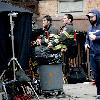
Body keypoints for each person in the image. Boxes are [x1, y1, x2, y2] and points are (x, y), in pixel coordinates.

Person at [85, 8, 100, 100]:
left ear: (97, 16)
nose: (90, 18)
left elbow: (95, 37)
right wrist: (86, 44)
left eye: (92, 16)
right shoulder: (89, 28)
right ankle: (99, 93)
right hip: (92, 55)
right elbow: (87, 38)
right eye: (89, 17)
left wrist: (96, 37)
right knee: (96, 75)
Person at [59, 14, 76, 81]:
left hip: (68, 48)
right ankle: (67, 77)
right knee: (67, 64)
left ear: (69, 20)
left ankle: (66, 78)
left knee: (66, 64)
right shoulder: (67, 27)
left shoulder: (68, 27)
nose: (63, 19)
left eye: (65, 18)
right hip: (69, 47)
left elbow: (62, 38)